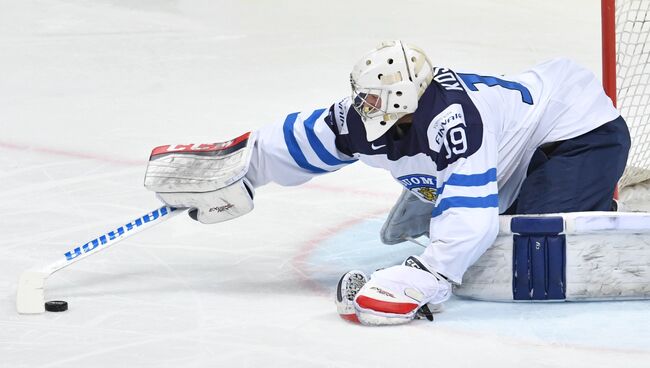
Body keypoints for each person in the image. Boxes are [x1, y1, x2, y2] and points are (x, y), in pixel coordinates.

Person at [145, 40, 631, 326]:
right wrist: (238, 168)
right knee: (495, 243)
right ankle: (449, 187)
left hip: (577, 130)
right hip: (513, 144)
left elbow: (470, 218)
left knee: (521, 258)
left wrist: (428, 275)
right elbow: (297, 140)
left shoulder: (456, 119)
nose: (382, 126)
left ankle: (593, 196)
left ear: (418, 99)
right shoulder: (361, 114)